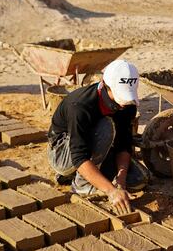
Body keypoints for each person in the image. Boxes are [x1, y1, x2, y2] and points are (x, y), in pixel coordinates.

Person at [48, 59, 150, 214]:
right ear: (105, 85)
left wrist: (120, 183)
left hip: (99, 148)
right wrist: (111, 191)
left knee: (138, 180)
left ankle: (88, 174)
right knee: (106, 127)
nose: (123, 104)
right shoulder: (80, 106)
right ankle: (81, 185)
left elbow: (123, 144)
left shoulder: (128, 105)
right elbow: (79, 156)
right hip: (63, 153)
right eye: (120, 96)